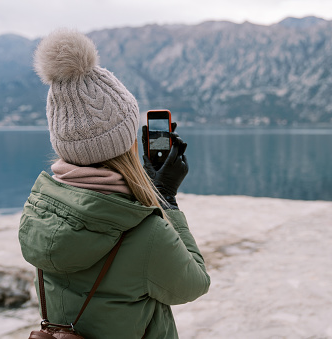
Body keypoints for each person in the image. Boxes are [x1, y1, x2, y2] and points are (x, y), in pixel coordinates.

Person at [18, 29, 210, 339]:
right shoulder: (145, 233)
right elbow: (195, 283)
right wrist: (167, 201)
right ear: (127, 145)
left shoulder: (39, 213)